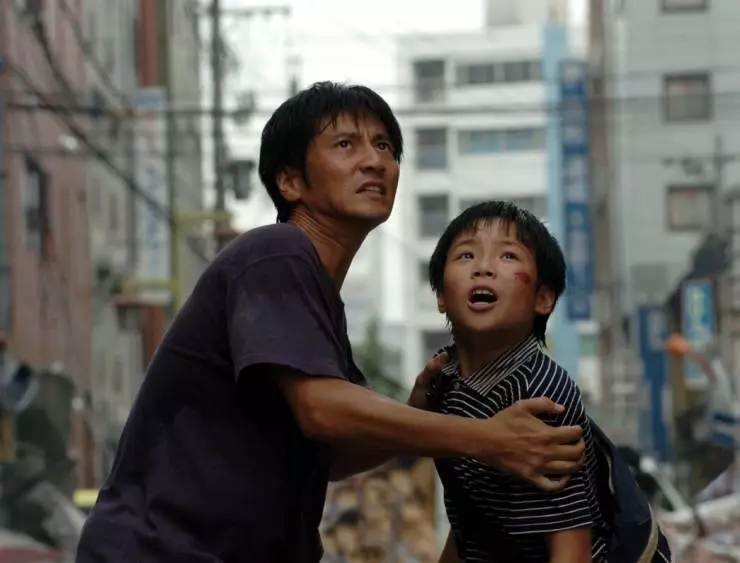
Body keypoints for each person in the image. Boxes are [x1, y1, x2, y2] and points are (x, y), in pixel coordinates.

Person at [75, 83, 585, 563]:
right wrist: (488, 438)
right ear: (291, 181)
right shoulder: (276, 254)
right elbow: (322, 409)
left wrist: (413, 412)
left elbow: (334, 456)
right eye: (346, 144)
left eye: (385, 146)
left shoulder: (317, 302)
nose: (375, 160)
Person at [419, 201, 609, 562]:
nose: (483, 268)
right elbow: (470, 519)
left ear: (543, 298)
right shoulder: (443, 379)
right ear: (441, 296)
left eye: (508, 256)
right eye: (465, 255)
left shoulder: (542, 394)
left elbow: (571, 545)